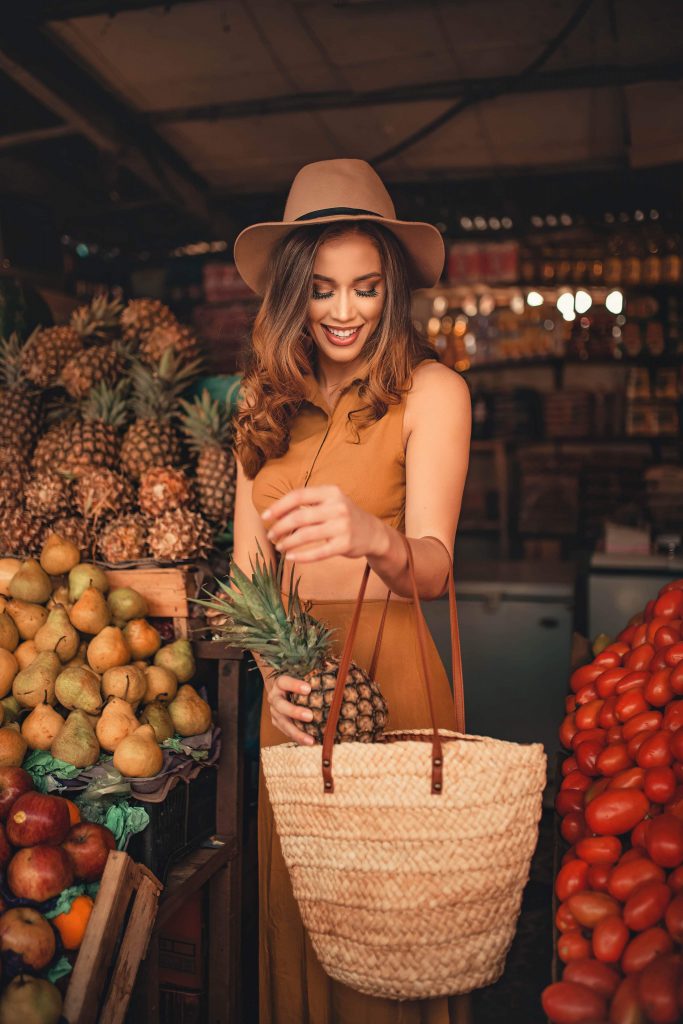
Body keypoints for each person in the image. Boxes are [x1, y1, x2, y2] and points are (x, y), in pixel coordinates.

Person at [231, 158, 472, 1024]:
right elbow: (245, 577)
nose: (343, 311)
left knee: (391, 923)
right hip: (294, 689)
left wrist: (373, 537)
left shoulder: (434, 392)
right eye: (323, 289)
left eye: (366, 288)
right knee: (305, 915)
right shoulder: (260, 405)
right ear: (293, 291)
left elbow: (437, 567)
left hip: (394, 674)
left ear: (392, 288)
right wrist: (271, 680)